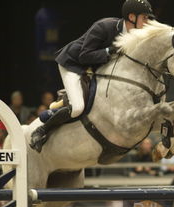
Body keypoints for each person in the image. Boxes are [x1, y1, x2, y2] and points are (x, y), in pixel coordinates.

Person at [29, 0, 154, 152]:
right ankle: (41, 130)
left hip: (95, 70)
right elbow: (84, 56)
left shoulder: (136, 37)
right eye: (145, 18)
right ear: (132, 17)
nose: (147, 22)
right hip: (72, 65)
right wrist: (109, 51)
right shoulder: (104, 26)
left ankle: (60, 107)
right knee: (77, 108)